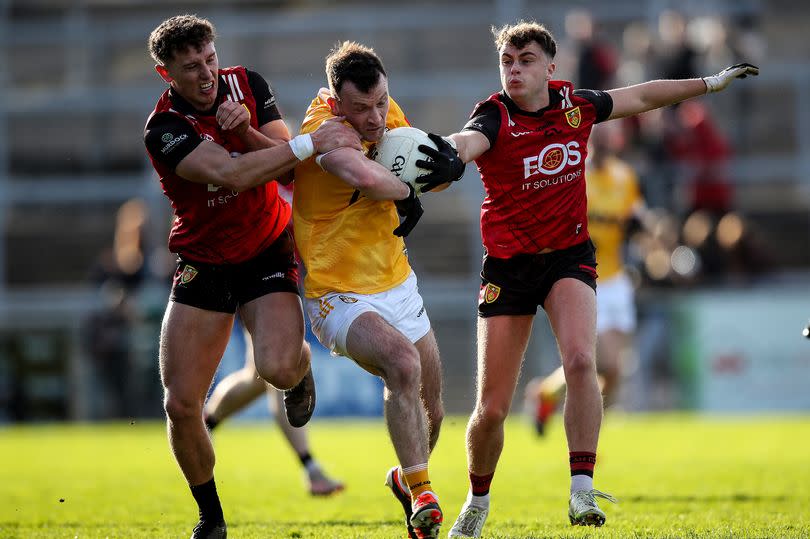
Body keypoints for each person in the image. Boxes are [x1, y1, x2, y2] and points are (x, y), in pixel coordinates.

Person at [437, 20, 757, 537]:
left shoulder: (575, 106)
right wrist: (445, 152)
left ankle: (582, 489)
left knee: (585, 361)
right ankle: (477, 499)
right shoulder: (493, 115)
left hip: (568, 257)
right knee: (491, 409)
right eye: (508, 62)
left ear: (550, 67)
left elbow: (644, 95)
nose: (514, 70)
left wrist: (709, 83)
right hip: (509, 267)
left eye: (526, 61)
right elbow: (469, 142)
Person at [143, 15, 361, 539]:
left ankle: (300, 365)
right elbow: (233, 173)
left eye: (210, 59)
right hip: (204, 259)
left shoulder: (248, 84)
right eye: (190, 66)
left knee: (278, 369)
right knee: (180, 403)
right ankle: (211, 518)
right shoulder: (164, 129)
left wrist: (246, 130)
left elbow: (285, 169)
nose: (205, 74)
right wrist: (308, 144)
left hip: (267, 247)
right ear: (165, 72)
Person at [291, 41, 464, 539]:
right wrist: (408, 192)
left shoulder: (387, 112)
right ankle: (424, 493)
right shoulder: (321, 128)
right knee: (402, 365)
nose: (374, 118)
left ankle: (403, 479)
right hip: (336, 293)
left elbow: (416, 158)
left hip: (397, 283)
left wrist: (446, 167)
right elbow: (358, 172)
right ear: (335, 100)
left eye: (381, 103)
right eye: (361, 108)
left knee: (434, 412)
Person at [525, 121, 651, 435]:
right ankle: (583, 432)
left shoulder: (625, 177)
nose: (604, 141)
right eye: (598, 135)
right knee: (603, 362)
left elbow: (638, 214)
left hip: (617, 279)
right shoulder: (572, 176)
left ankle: (549, 397)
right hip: (583, 277)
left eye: (610, 135)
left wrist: (645, 227)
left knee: (613, 373)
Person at [203, 318, 345, 496]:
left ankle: (206, 423)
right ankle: (311, 468)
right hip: (265, 294)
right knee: (282, 369)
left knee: (256, 377)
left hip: (270, 296)